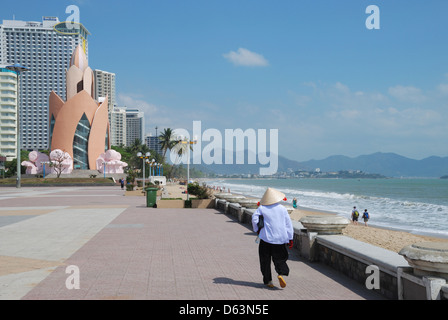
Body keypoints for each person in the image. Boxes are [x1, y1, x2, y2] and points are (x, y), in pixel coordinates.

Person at [252, 188, 294, 289]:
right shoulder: (282, 209)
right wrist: (290, 238)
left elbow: (254, 218)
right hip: (280, 239)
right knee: (280, 259)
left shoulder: (262, 208)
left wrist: (256, 229)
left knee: (265, 261)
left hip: (265, 239)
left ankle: (268, 281)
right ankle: (281, 273)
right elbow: (288, 224)